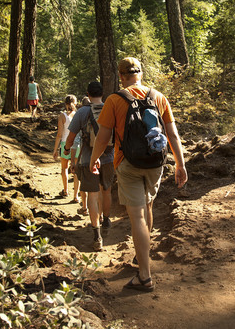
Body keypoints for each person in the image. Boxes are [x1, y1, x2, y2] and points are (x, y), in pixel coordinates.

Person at [89, 57, 187, 292]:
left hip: (128, 163)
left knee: (138, 217)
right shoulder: (159, 97)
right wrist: (181, 164)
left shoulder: (114, 100)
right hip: (155, 163)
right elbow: (172, 135)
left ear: (122, 76)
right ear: (140, 73)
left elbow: (103, 138)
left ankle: (144, 275)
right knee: (149, 208)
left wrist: (94, 160)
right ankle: (143, 256)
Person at [65, 84, 114, 251]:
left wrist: (66, 150)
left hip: (87, 159)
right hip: (108, 158)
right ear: (102, 93)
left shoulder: (82, 112)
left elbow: (71, 138)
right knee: (106, 190)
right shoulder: (110, 108)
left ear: (87, 94)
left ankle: (96, 235)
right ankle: (106, 219)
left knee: (92, 196)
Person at [53, 94, 78, 201]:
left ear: (65, 103)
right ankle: (76, 196)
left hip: (64, 144)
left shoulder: (62, 116)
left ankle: (66, 190)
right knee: (76, 171)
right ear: (75, 103)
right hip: (76, 144)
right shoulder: (77, 115)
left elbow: (59, 134)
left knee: (64, 168)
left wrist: (55, 150)